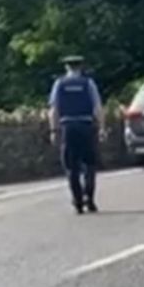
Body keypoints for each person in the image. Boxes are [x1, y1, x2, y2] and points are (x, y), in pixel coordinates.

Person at [48, 55, 104, 214]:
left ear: (67, 67)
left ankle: (78, 201)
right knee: (90, 164)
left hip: (68, 127)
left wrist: (53, 130)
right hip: (86, 126)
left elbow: (54, 110)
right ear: (81, 67)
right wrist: (101, 128)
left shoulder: (59, 84)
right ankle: (90, 198)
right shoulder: (88, 83)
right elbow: (97, 107)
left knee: (71, 166)